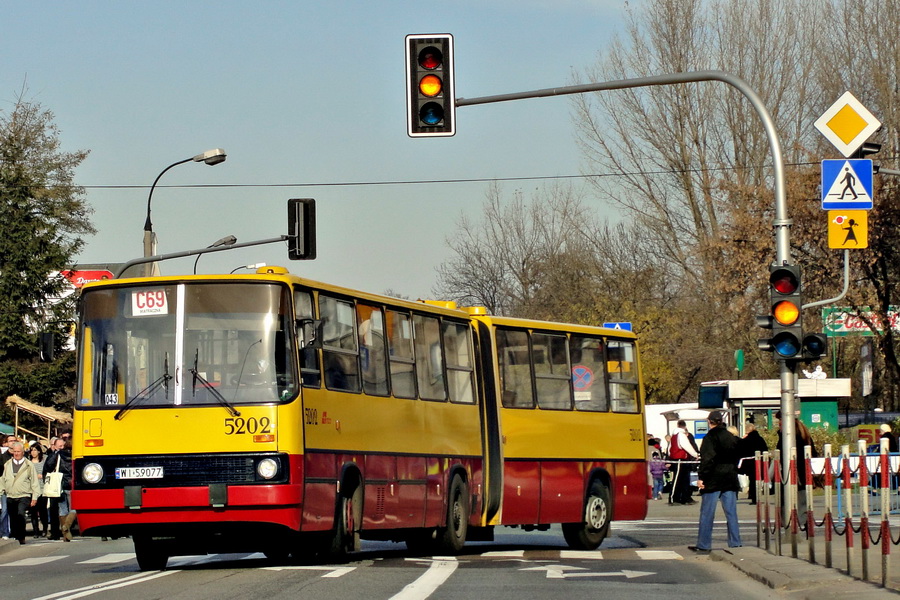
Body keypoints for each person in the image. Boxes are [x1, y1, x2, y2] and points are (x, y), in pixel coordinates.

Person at [689, 411, 742, 553]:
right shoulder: (731, 437)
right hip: (730, 477)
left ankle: (704, 544)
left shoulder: (709, 438)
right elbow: (738, 454)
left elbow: (707, 459)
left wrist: (702, 477)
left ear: (709, 421)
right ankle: (735, 542)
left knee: (707, 513)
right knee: (731, 512)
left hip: (713, 479)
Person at [0, 442, 41, 544]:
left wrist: (35, 497)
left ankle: (21, 536)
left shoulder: (29, 465)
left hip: (24, 494)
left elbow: (34, 481)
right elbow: (3, 479)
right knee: (13, 517)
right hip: (10, 494)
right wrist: (1, 491)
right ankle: (15, 535)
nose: (16, 454)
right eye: (15, 452)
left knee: (20, 514)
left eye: (18, 451)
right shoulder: (7, 464)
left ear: (23, 452)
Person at [44, 436, 73, 541]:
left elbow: (48, 466)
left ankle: (66, 534)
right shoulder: (75, 455)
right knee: (74, 509)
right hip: (72, 484)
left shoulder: (58, 455)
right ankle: (66, 527)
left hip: (59, 485)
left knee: (62, 509)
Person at [668, 419, 699, 505]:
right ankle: (673, 498)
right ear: (685, 427)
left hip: (678, 459)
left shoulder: (674, 435)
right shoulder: (681, 435)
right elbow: (687, 446)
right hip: (680, 459)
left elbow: (670, 448)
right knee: (678, 479)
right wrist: (695, 454)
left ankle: (683, 498)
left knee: (683, 479)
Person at [738, 423, 769, 505]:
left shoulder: (746, 440)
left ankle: (753, 496)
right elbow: (765, 449)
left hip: (749, 463)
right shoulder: (760, 439)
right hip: (760, 461)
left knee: (752, 480)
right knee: (758, 479)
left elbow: (742, 450)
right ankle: (758, 496)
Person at [28, 444, 48, 538]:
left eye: (35, 450)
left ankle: (45, 529)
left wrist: (42, 476)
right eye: (32, 450)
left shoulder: (44, 460)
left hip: (42, 488)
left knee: (43, 511)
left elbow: (49, 471)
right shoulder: (28, 462)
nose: (33, 452)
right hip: (31, 490)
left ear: (39, 451)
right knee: (33, 511)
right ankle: (36, 531)